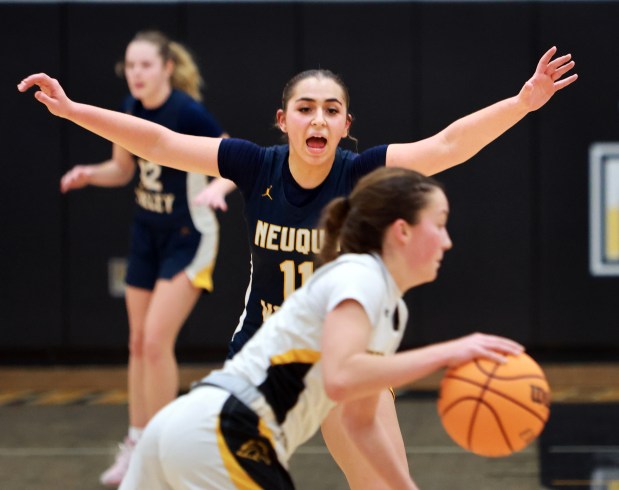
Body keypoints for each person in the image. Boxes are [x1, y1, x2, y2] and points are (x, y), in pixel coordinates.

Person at [18, 45, 576, 488]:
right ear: (283, 121)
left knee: (382, 482)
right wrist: (72, 111)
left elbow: (447, 145)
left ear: (345, 124)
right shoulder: (255, 163)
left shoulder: (361, 173)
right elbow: (160, 142)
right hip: (264, 353)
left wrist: (522, 102)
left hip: (342, 354)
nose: (319, 118)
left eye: (331, 110)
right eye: (306, 108)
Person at [113, 166, 523, 489]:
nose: (448, 240)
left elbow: (359, 422)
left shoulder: (388, 308)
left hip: (186, 428)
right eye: (440, 223)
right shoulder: (360, 276)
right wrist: (450, 352)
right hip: (226, 433)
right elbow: (341, 377)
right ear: (402, 231)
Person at [55, 30, 233, 487]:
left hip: (188, 235)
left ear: (167, 67)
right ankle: (136, 443)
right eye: (130, 66)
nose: (136, 73)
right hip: (146, 234)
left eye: (145, 65)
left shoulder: (187, 112)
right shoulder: (129, 108)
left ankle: (162, 447)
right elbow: (123, 168)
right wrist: (88, 174)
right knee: (137, 343)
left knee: (156, 341)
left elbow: (233, 157)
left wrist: (217, 185)